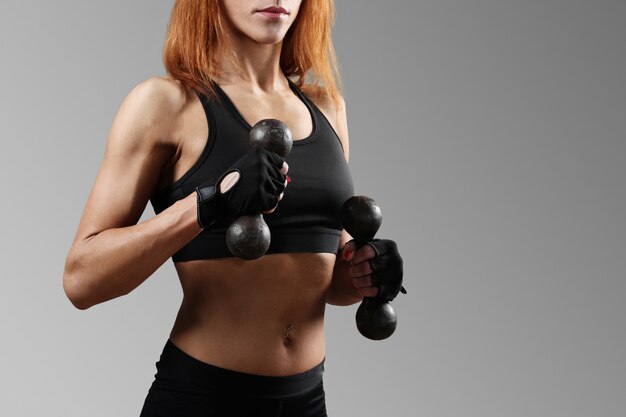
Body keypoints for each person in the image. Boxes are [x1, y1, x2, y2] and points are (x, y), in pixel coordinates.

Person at [62, 1, 404, 416]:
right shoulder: (165, 104)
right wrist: (211, 203)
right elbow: (82, 280)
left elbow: (328, 280)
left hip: (307, 399)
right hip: (203, 399)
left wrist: (365, 273)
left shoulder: (328, 106)